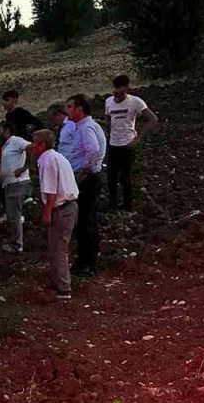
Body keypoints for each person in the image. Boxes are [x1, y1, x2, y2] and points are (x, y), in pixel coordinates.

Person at [59, 94, 107, 278]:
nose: (67, 110)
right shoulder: (84, 126)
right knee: (84, 221)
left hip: (87, 179)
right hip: (86, 176)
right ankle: (84, 260)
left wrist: (84, 172)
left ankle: (88, 264)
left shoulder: (86, 127)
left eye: (70, 107)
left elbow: (94, 150)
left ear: (79, 109)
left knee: (86, 221)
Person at [103, 75, 159, 211]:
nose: (115, 91)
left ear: (126, 88)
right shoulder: (108, 101)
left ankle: (128, 207)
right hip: (113, 144)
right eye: (114, 87)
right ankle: (113, 206)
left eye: (119, 87)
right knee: (111, 177)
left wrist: (138, 138)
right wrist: (105, 129)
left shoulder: (135, 102)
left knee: (125, 178)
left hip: (127, 145)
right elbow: (108, 120)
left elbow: (153, 119)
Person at [35, 129, 79, 300]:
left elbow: (51, 192)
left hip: (61, 208)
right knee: (56, 247)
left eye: (35, 143)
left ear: (42, 144)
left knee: (59, 248)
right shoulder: (57, 157)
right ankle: (57, 281)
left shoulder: (47, 160)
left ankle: (63, 288)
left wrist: (46, 214)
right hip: (68, 206)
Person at [0, 127, 32, 253]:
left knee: (14, 215)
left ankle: (17, 245)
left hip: (17, 182)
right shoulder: (6, 146)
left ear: (8, 131)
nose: (0, 133)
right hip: (10, 183)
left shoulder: (16, 140)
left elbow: (29, 147)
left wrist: (25, 167)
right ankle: (17, 240)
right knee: (12, 214)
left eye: (2, 130)